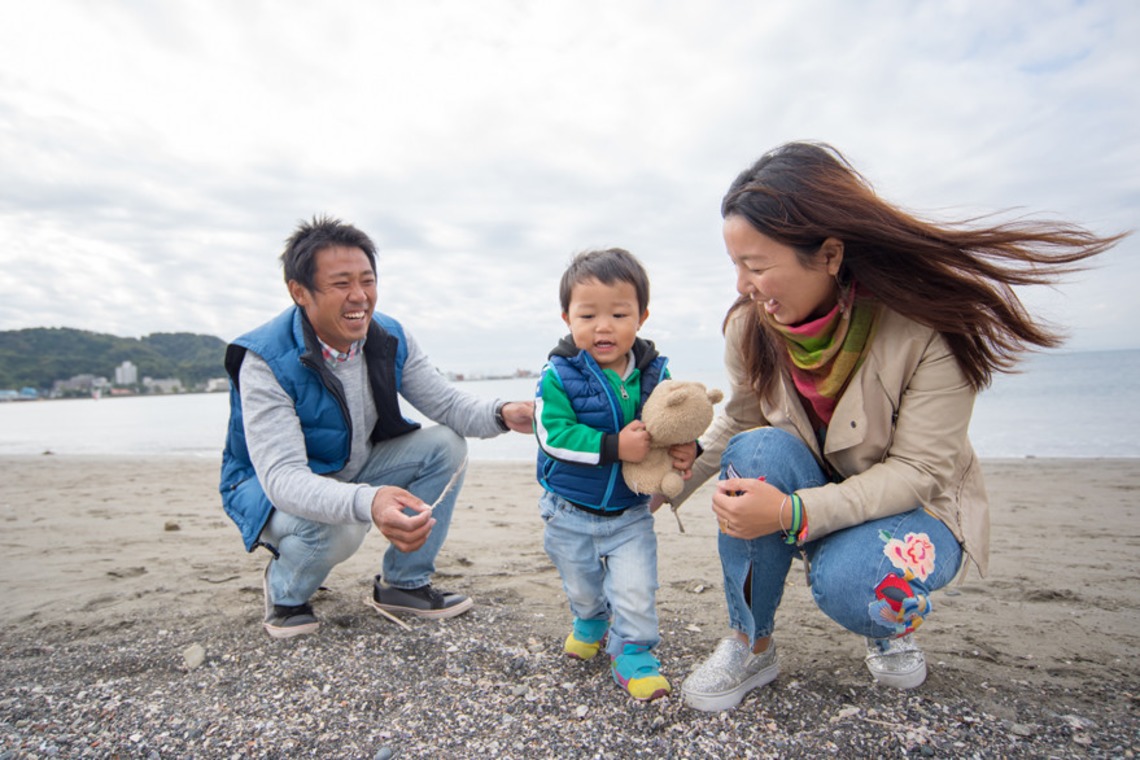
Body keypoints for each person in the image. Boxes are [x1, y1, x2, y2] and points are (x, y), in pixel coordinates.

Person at [667, 142, 1124, 711]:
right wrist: (659, 491)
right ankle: (749, 641)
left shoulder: (931, 328)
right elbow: (737, 421)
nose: (742, 286)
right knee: (755, 448)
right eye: (736, 264)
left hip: (919, 507)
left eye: (756, 267)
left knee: (858, 588)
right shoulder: (750, 328)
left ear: (830, 254)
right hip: (817, 493)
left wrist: (792, 514)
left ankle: (887, 624)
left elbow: (920, 471)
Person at [220, 215, 534, 639]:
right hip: (266, 492)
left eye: (367, 280)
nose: (360, 297)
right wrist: (369, 503)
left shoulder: (387, 336)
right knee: (339, 529)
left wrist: (503, 413)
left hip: (353, 467)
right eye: (341, 283)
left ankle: (403, 585)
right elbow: (283, 478)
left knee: (445, 444)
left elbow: (446, 403)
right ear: (299, 292)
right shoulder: (264, 360)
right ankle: (285, 591)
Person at [534, 248, 697, 701]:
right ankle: (590, 620)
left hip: (629, 512)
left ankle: (634, 651)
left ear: (641, 317)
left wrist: (688, 447)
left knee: (635, 587)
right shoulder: (559, 375)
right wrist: (613, 446)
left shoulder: (655, 373)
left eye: (619, 313)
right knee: (582, 584)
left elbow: (673, 423)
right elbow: (552, 434)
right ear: (567, 317)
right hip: (567, 510)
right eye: (588, 315)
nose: (603, 326)